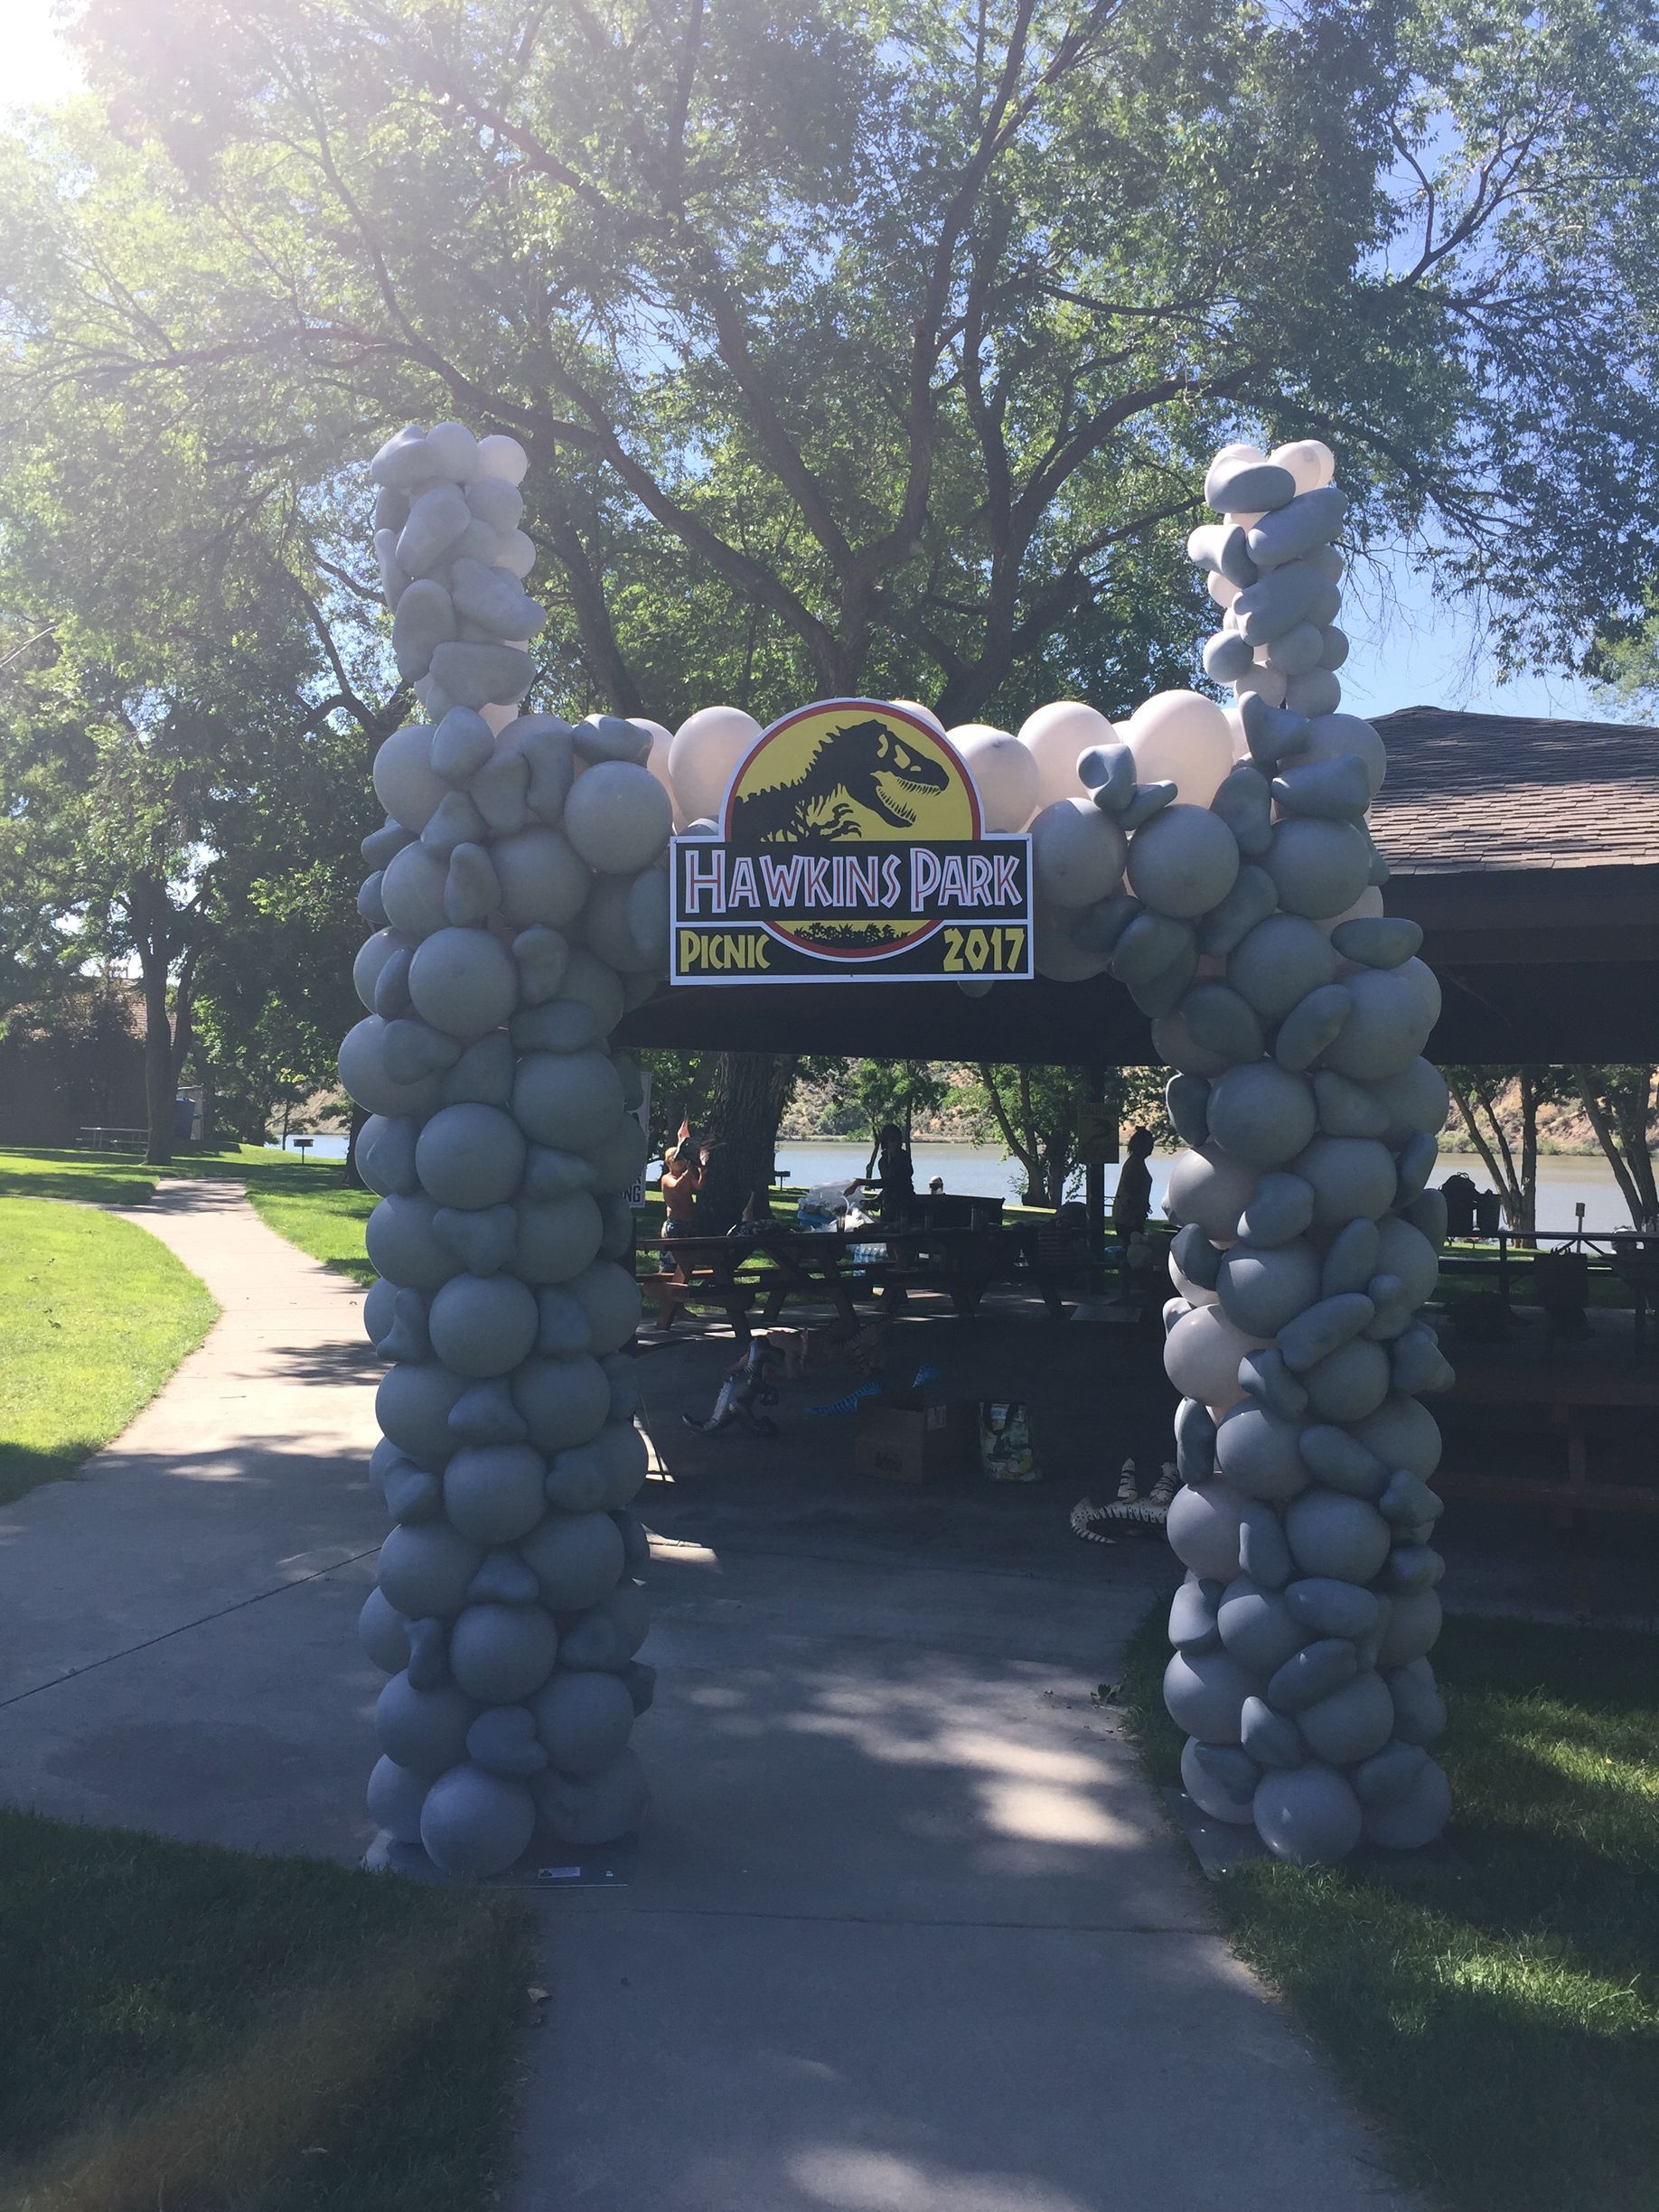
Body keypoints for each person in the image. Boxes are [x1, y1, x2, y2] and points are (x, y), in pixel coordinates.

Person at [659, 1139, 706, 1259]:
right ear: (668, 1162)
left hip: (689, 1222)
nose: (679, 1161)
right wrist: (688, 1173)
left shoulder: (688, 1176)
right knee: (672, 1259)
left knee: (688, 1258)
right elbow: (675, 1186)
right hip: (676, 1223)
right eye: (675, 1158)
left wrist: (702, 1173)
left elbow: (698, 1187)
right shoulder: (666, 1178)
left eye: (681, 1158)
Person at [1111, 1127, 1156, 1239]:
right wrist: (1140, 1210)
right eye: (1149, 1144)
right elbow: (1132, 1192)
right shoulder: (1134, 1166)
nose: (1152, 1147)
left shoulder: (1136, 1163)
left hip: (1128, 1217)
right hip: (1128, 1219)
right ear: (1141, 1145)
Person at [870, 1122, 915, 1226]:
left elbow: (895, 1181)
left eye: (899, 1139)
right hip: (888, 1208)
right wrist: (877, 1199)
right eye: (892, 1139)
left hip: (904, 1207)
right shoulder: (882, 1161)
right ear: (886, 1141)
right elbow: (888, 1187)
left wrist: (864, 1182)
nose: (896, 1142)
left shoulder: (904, 1158)